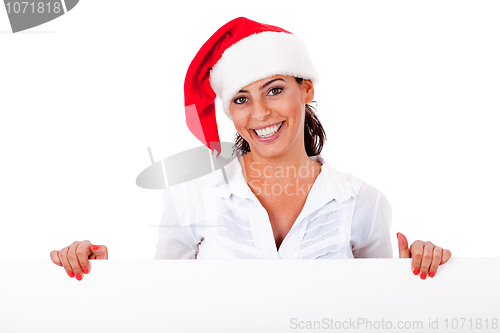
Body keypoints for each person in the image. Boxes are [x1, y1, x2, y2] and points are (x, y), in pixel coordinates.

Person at [50, 17, 451, 281]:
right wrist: (98, 278)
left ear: (306, 88)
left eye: (275, 89)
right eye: (241, 99)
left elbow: (377, 313)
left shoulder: (363, 203)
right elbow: (162, 309)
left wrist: (416, 275)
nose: (260, 113)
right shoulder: (193, 197)